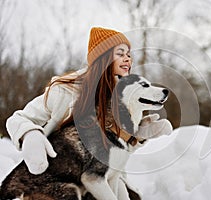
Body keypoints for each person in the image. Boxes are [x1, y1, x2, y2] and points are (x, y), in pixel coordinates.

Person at [6, 27, 173, 198]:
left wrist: (136, 136)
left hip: (99, 171)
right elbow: (19, 119)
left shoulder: (124, 94)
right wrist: (30, 134)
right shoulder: (65, 90)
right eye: (120, 53)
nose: (127, 59)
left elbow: (114, 150)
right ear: (103, 58)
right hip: (59, 170)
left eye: (129, 54)